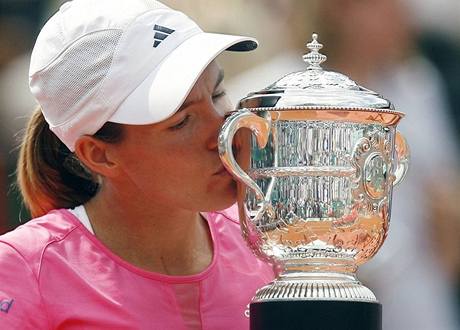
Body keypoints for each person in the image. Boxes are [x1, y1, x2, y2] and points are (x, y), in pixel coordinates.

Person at [0, 0, 274, 328]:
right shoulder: (22, 270)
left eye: (217, 95)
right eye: (182, 121)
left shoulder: (269, 242)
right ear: (99, 155)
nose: (224, 132)